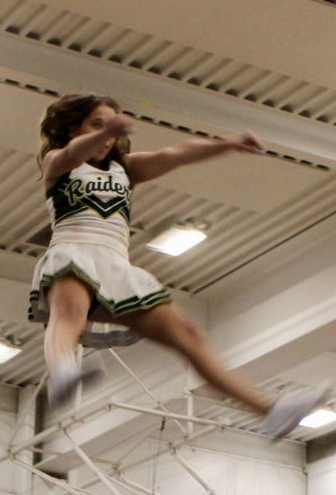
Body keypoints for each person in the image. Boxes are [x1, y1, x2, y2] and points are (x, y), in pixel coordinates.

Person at [28, 92, 317, 436]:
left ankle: (270, 409)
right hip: (74, 251)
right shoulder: (59, 162)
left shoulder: (126, 169)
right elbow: (78, 151)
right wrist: (105, 134)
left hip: (117, 269)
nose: (108, 136)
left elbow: (175, 154)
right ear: (73, 127)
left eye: (113, 128)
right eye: (97, 124)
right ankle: (63, 372)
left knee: (188, 335)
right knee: (70, 311)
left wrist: (228, 144)